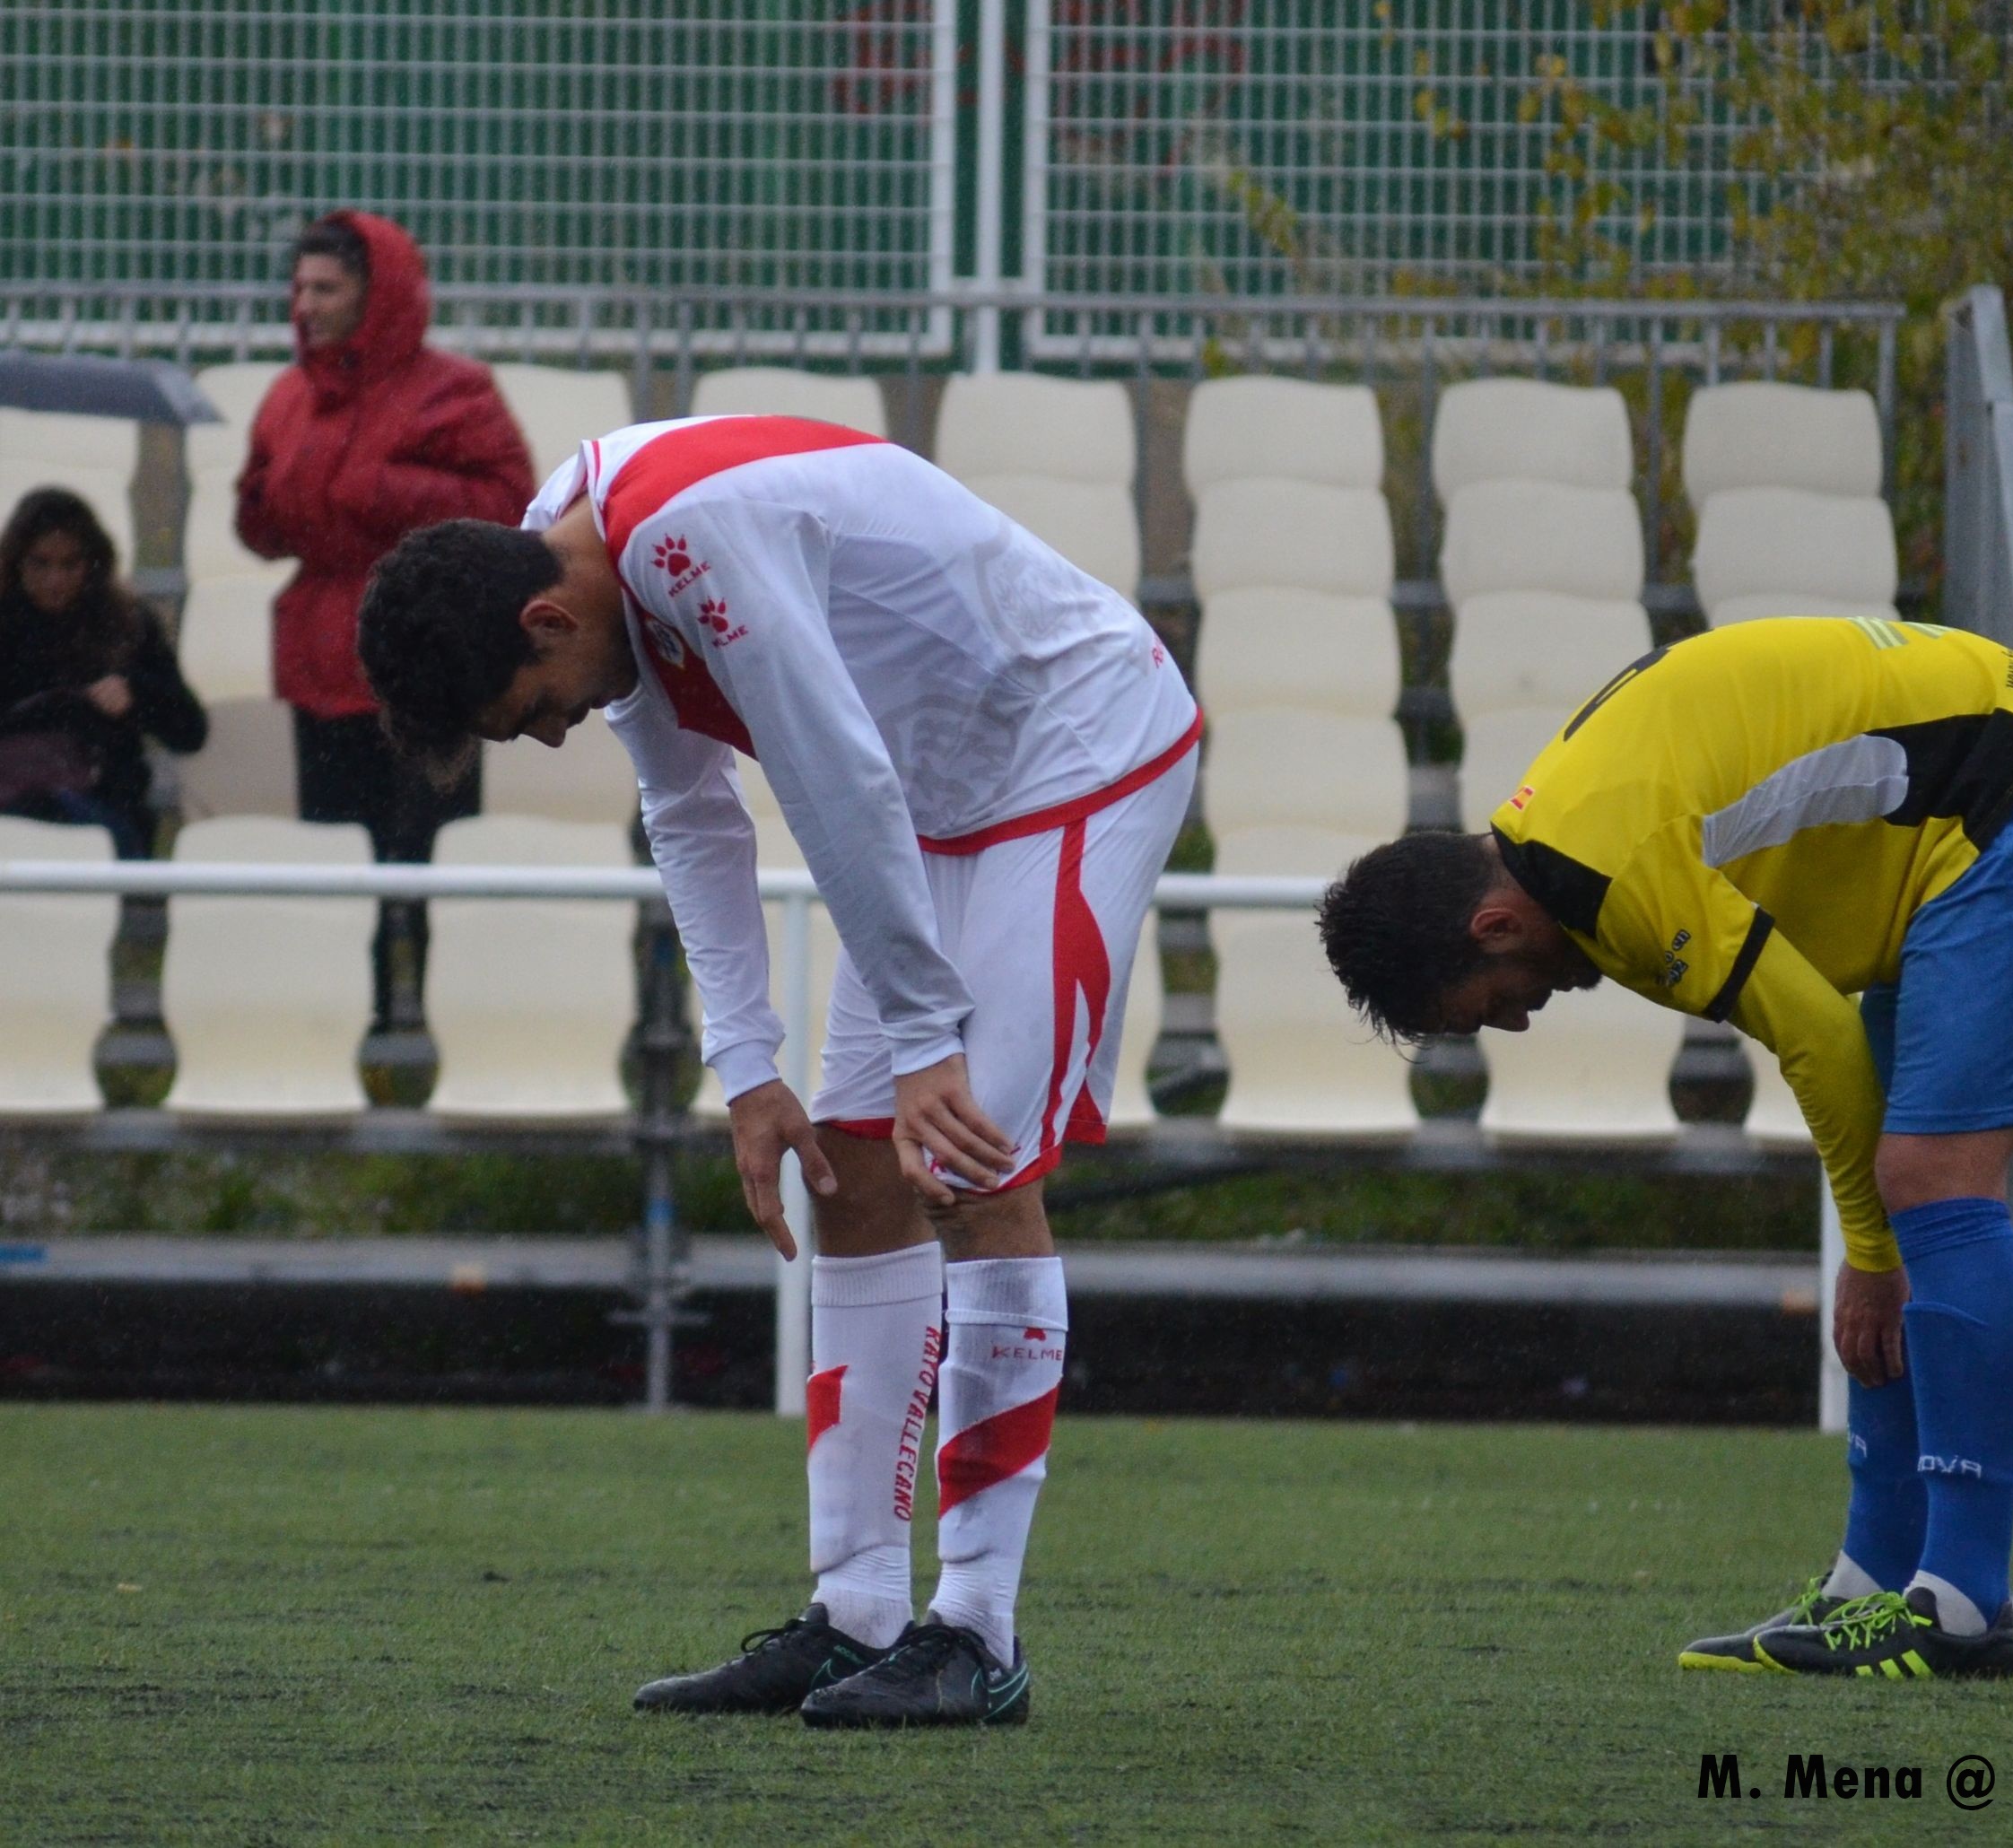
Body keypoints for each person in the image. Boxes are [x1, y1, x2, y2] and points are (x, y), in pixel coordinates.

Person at [355, 413, 1200, 1728]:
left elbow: (828, 769)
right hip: (921, 802)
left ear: (545, 622)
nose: (554, 735)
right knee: (853, 1177)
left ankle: (978, 1632)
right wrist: (747, 1071)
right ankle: (857, 1612)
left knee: (974, 1173)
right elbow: (692, 813)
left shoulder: (686, 538)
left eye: (531, 716)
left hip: (1071, 756)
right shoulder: (566, 541)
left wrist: (924, 1038)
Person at [1315, 615, 2013, 1682]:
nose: (1521, 1020)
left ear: (1492, 926)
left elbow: (1814, 1035)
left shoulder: (1606, 874)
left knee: (1926, 1179)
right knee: (1908, 1182)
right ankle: (1873, 1576)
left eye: (1491, 1005)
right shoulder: (1558, 831)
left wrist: (1865, 1252)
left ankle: (1958, 1606)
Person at [235, 211, 535, 1024]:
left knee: (431, 851)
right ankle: (351, 1019)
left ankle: (444, 1023)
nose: (305, 304)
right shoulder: (288, 396)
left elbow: (511, 507)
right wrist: (261, 508)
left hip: (433, 663)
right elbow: (263, 523)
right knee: (337, 850)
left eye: (325, 288)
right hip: (322, 658)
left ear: (377, 297)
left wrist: (384, 489)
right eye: (298, 287)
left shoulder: (457, 391)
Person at [0, 487, 208, 857]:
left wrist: (137, 694)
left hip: (107, 811)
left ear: (92, 563)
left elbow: (190, 731)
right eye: (40, 564)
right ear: (17, 562)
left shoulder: (128, 626)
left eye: (70, 565)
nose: (55, 580)